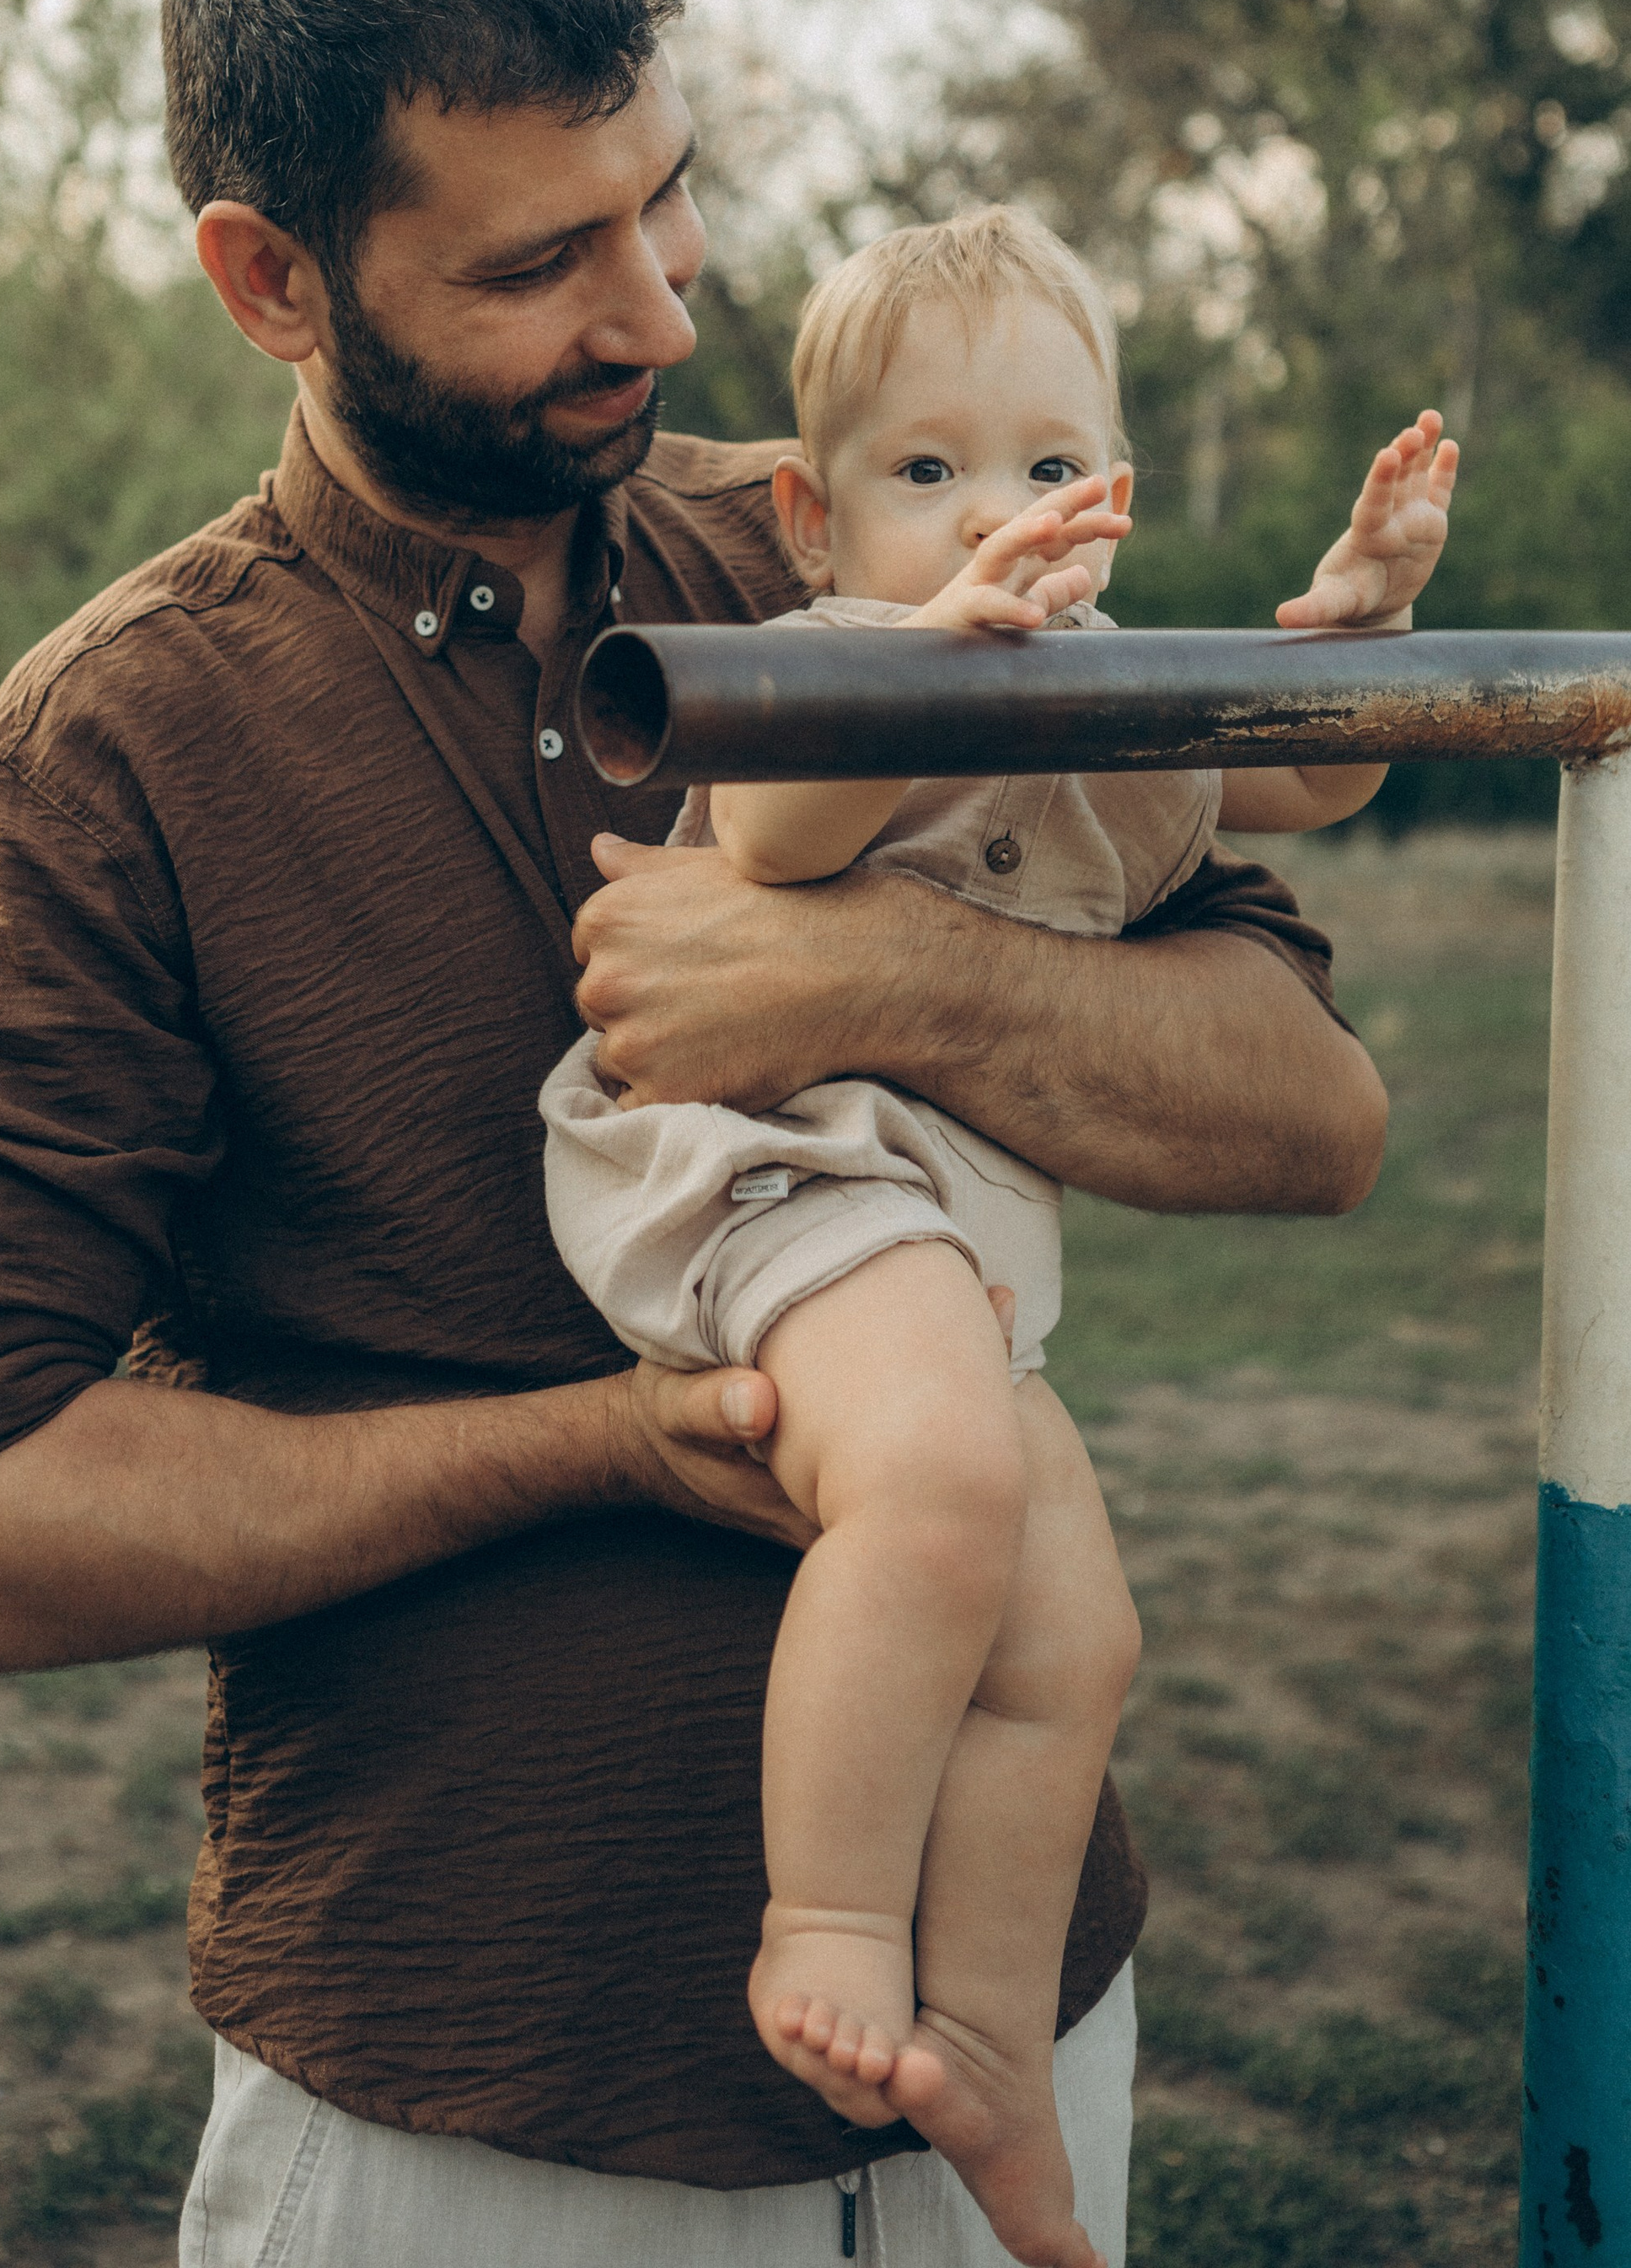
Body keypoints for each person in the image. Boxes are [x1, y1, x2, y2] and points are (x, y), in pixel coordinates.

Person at [0, 0, 1387, 2268]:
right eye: (546, 260)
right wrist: (608, 1447)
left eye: (668, 199)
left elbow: (1311, 1114)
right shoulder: (102, 761)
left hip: (1020, 2031)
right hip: (473, 2112)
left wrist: (880, 975)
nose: (656, 310)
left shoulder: (863, 543)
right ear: (269, 279)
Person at [542, 207, 1458, 2268]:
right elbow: (775, 840)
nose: (1001, 518)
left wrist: (1353, 618)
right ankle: (833, 1923)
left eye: (1049, 468)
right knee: (942, 1490)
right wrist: (947, 651)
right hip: (760, 1164)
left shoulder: (1112, 683)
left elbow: (1309, 785)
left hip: (925, 1225)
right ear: (813, 511)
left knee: (1071, 1644)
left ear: (1113, 480)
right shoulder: (845, 661)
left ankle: (979, 2045)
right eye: (928, 472)